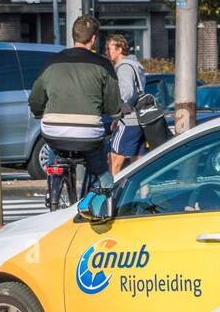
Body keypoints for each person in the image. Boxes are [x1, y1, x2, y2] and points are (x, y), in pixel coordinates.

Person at [29, 16, 123, 193]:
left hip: (53, 130)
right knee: (99, 154)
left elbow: (35, 98)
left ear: (73, 36)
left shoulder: (51, 62)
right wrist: (114, 113)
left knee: (55, 147)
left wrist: (38, 111)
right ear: (94, 38)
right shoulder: (103, 64)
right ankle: (103, 185)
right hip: (88, 133)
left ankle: (53, 186)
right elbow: (113, 105)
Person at [105, 33, 146, 175]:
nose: (107, 51)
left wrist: (115, 109)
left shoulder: (124, 67)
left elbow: (126, 93)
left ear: (120, 49)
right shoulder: (135, 65)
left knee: (113, 162)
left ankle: (110, 196)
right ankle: (142, 195)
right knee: (138, 166)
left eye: (109, 47)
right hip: (140, 121)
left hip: (128, 120)